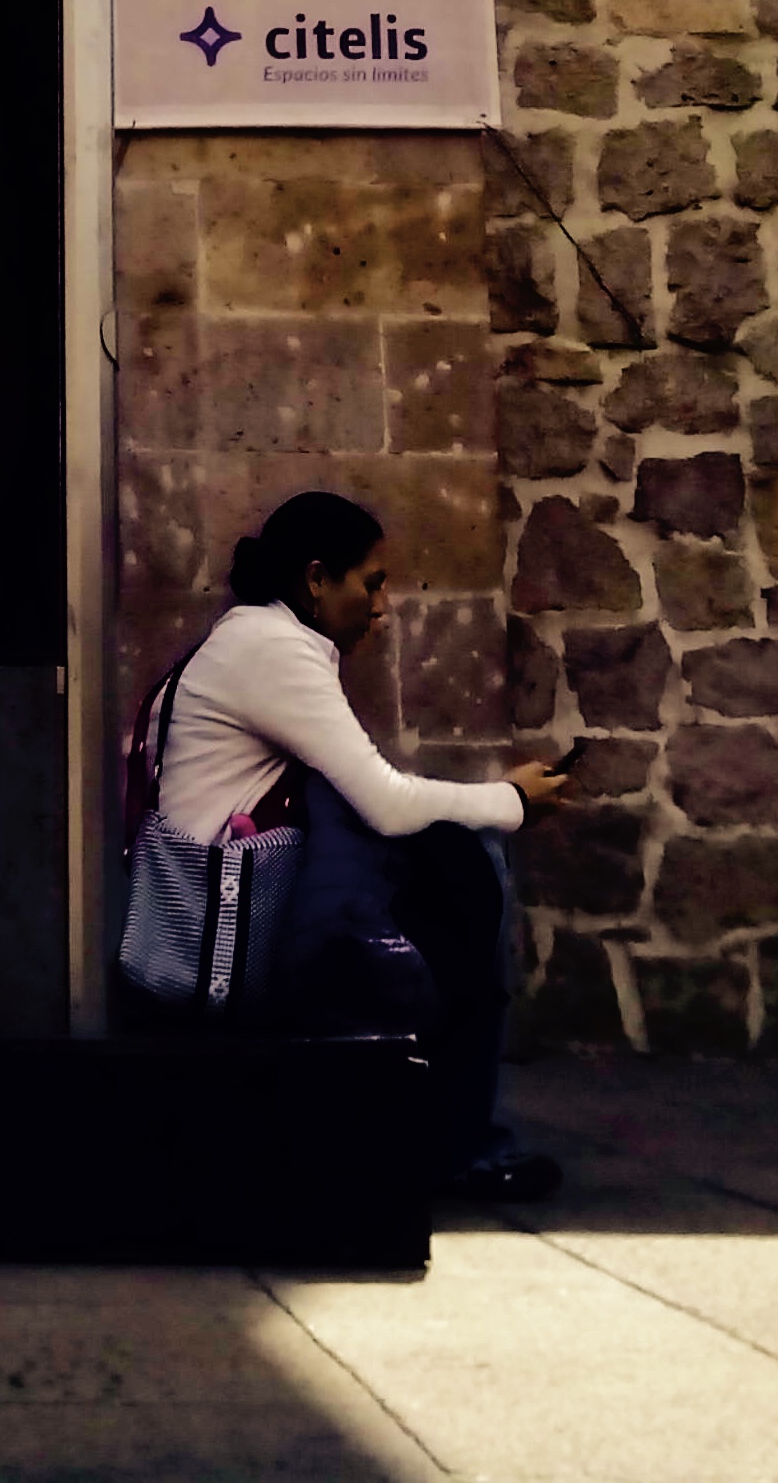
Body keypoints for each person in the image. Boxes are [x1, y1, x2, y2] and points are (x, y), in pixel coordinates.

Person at [139, 489, 569, 1203]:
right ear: (316, 578)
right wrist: (511, 802)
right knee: (472, 864)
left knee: (457, 868)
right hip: (227, 939)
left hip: (232, 913)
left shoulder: (258, 639)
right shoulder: (271, 647)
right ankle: (462, 1139)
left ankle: (452, 1125)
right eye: (370, 584)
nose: (382, 606)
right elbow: (386, 801)